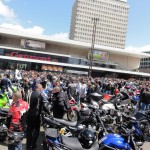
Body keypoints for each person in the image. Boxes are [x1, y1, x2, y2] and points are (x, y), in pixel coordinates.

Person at [26, 84, 50, 150]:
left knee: (29, 130)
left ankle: (28, 145)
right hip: (36, 115)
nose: (42, 89)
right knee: (36, 130)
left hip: (29, 114)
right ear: (38, 88)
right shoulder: (40, 94)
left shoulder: (29, 93)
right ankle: (32, 145)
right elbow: (45, 106)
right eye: (41, 87)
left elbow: (26, 103)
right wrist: (49, 113)